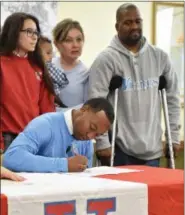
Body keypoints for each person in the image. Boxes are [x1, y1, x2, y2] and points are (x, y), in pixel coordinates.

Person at [88, 3, 181, 167]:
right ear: (117, 26)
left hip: (153, 148)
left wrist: (173, 137)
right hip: (119, 148)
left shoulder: (160, 58)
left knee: (152, 193)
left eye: (138, 21)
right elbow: (96, 101)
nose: (134, 26)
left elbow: (172, 99)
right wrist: (102, 142)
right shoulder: (106, 59)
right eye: (128, 22)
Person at [3, 98, 114, 173]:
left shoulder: (86, 142)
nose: (90, 136)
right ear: (84, 109)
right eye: (92, 128)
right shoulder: (45, 125)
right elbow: (11, 158)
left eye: (96, 135)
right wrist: (64, 165)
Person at [0, 12, 55, 153]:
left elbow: (47, 110)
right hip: (7, 139)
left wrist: (48, 141)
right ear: (13, 32)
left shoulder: (38, 66)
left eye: (36, 32)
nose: (35, 37)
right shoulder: (2, 64)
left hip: (34, 139)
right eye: (29, 32)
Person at [52, 18, 89, 108]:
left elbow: (87, 109)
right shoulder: (48, 66)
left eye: (79, 39)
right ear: (56, 44)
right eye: (68, 40)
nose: (75, 45)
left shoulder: (86, 73)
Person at [38, 35, 69, 108]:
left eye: (51, 53)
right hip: (51, 103)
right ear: (37, 53)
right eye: (48, 53)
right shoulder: (49, 67)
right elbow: (63, 80)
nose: (51, 56)